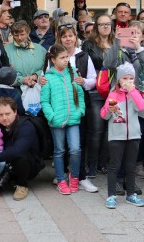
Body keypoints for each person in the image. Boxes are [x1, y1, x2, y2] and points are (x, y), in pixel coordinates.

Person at [103, 21, 144, 184]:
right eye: (131, 33)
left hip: (139, 103)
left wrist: (139, 48)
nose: (134, 36)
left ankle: (129, 181)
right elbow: (107, 64)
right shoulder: (119, 52)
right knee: (119, 144)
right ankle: (118, 179)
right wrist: (117, 41)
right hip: (120, 103)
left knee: (133, 144)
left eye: (137, 33)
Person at [0, 97, 44, 201]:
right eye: (0, 115)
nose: (4, 118)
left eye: (7, 114)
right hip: (7, 161)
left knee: (20, 156)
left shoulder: (26, 126)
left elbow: (17, 150)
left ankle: (22, 185)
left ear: (15, 112)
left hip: (29, 164)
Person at [54, 25, 98, 193]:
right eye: (64, 36)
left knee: (79, 142)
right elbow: (46, 75)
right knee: (61, 143)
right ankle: (63, 173)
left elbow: (93, 79)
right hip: (60, 105)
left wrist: (84, 82)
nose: (68, 39)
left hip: (78, 104)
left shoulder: (83, 56)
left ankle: (80, 176)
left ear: (75, 37)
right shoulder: (53, 54)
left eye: (71, 36)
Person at [40, 44, 85, 195]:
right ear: (53, 60)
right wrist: (51, 116)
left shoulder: (73, 75)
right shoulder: (48, 79)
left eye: (67, 57)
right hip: (56, 121)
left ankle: (74, 177)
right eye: (62, 58)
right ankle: (60, 179)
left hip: (73, 119)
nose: (66, 60)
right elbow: (44, 101)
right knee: (59, 151)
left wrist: (80, 111)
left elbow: (80, 95)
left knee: (75, 149)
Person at [101, 62, 144, 209]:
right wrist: (110, 109)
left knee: (131, 166)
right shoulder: (113, 94)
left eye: (131, 78)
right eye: (125, 78)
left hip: (133, 135)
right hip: (116, 137)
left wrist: (132, 91)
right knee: (114, 166)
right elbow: (104, 115)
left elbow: (141, 107)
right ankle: (111, 195)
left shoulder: (136, 93)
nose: (128, 82)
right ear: (119, 80)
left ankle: (131, 194)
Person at [81, 14, 115, 176]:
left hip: (114, 92)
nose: (105, 27)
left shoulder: (117, 43)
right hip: (95, 92)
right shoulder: (89, 44)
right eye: (102, 24)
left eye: (108, 24)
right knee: (96, 130)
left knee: (109, 130)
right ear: (96, 27)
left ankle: (103, 163)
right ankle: (92, 164)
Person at [4, 21, 47, 88]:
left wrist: (36, 75)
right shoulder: (6, 50)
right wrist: (22, 80)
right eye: (16, 35)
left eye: (22, 34)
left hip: (40, 87)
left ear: (28, 33)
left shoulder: (40, 49)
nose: (19, 38)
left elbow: (47, 68)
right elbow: (5, 72)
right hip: (16, 90)